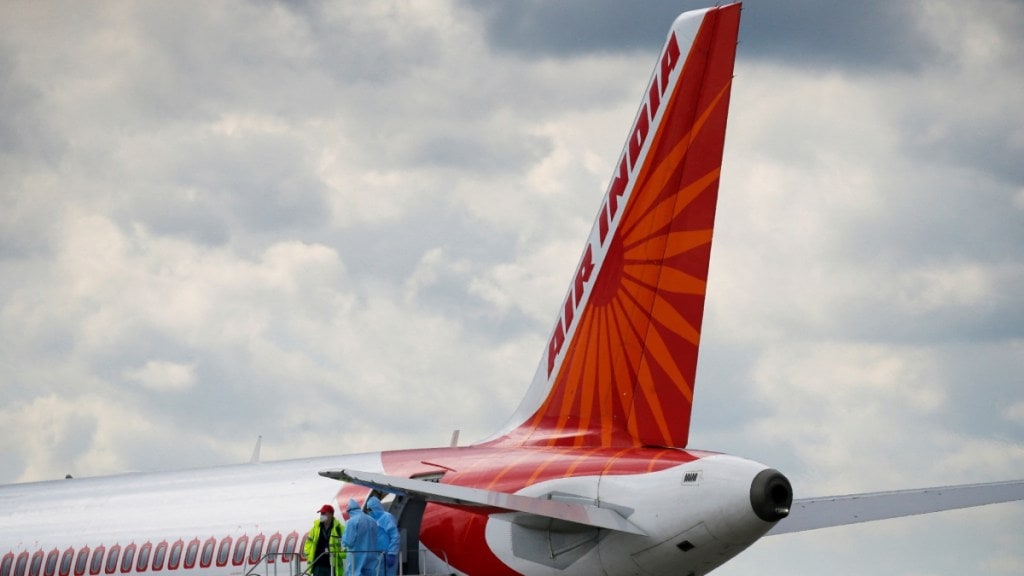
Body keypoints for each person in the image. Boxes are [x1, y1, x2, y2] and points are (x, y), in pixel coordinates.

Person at [341, 499, 379, 576]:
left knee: (354, 573)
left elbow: (349, 541)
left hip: (356, 555)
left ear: (349, 510)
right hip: (371, 554)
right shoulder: (372, 520)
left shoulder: (351, 521)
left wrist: (343, 540)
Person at [304, 504, 345, 576]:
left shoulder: (339, 528)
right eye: (321, 513)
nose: (321, 515)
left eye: (323, 513)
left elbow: (345, 543)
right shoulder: (315, 528)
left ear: (331, 514)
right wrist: (307, 554)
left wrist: (343, 554)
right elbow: (308, 542)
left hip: (332, 565)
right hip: (318, 564)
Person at [366, 496, 400, 576]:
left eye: (370, 509)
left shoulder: (387, 517)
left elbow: (395, 536)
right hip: (377, 556)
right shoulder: (372, 520)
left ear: (375, 507)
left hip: (387, 555)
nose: (368, 512)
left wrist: (392, 553)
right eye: (367, 510)